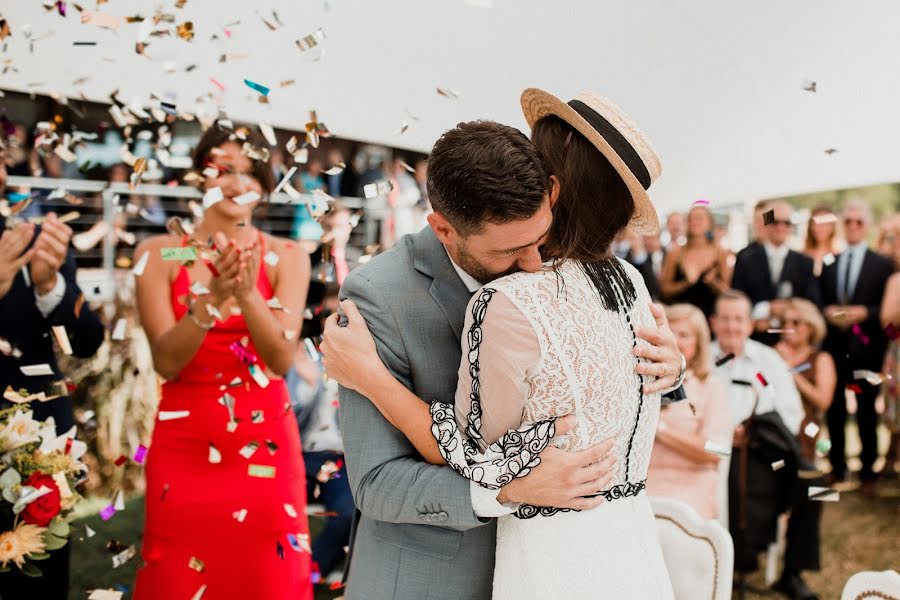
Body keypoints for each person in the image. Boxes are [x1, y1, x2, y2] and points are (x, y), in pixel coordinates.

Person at [322, 91, 686, 599]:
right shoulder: (378, 296)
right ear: (444, 229)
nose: (535, 262)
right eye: (513, 250)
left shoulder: (592, 278)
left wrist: (672, 370)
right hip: (435, 580)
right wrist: (505, 490)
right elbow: (376, 483)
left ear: (552, 191)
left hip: (553, 565)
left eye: (540, 237)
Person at [132, 125, 313, 599]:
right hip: (184, 446)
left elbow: (279, 361)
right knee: (177, 578)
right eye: (223, 170)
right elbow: (166, 362)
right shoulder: (163, 252)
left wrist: (247, 293)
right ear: (200, 174)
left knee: (268, 578)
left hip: (264, 446)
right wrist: (208, 302)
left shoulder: (287, 255)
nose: (236, 183)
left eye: (250, 172)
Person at [0, 158, 105, 600]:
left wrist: (50, 291)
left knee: (36, 586)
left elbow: (87, 340)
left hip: (34, 448)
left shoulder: (34, 238)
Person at [711, 290, 820, 600]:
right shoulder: (702, 357)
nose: (732, 327)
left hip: (765, 450)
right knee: (732, 476)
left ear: (749, 323)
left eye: (739, 319)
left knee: (813, 483)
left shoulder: (767, 360)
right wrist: (723, 434)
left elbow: (791, 411)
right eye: (726, 319)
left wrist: (755, 431)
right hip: (712, 450)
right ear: (714, 322)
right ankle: (734, 558)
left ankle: (792, 572)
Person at [820, 200, 894, 493]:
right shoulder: (830, 262)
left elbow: (887, 310)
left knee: (865, 410)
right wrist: (828, 313)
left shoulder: (882, 264)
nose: (852, 226)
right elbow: (821, 300)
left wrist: (864, 313)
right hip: (835, 347)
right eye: (847, 221)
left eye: (858, 222)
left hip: (868, 348)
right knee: (835, 409)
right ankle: (837, 468)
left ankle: (867, 472)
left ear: (867, 225)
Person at [287, 286, 353, 582]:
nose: (332, 322)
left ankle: (304, 581)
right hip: (297, 455)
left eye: (340, 316)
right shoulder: (300, 357)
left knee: (348, 513)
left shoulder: (362, 360)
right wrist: (308, 383)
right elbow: (284, 415)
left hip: (339, 461)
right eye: (326, 314)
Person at [647, 304, 732, 519]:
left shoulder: (710, 386)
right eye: (670, 332)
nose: (675, 340)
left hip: (690, 484)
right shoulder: (643, 380)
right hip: (643, 481)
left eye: (684, 335)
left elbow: (717, 451)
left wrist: (659, 428)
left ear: (699, 344)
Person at [731, 200, 821, 346]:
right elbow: (736, 299)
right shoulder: (746, 259)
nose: (781, 227)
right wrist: (766, 308)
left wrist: (788, 309)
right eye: (775, 221)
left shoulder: (805, 263)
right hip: (755, 341)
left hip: (792, 343)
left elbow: (812, 304)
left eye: (786, 223)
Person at [774, 299, 836, 461]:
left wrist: (790, 370)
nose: (788, 327)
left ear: (810, 326)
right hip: (774, 430)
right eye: (783, 322)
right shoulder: (771, 355)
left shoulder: (821, 359)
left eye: (795, 322)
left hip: (806, 432)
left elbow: (823, 401)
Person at [659, 204, 731, 317]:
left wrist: (713, 282)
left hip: (710, 315)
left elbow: (727, 290)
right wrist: (686, 283)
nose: (694, 222)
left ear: (709, 223)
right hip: (681, 315)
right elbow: (664, 290)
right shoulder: (675, 252)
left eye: (699, 218)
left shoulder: (719, 252)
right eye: (690, 219)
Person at [804, 205, 839, 278]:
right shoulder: (803, 254)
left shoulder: (838, 255)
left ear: (832, 226)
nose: (820, 228)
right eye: (816, 223)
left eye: (824, 224)